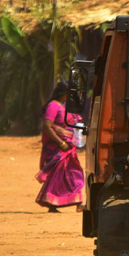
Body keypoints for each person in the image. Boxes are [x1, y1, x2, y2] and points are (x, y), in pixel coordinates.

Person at [36, 82, 85, 211]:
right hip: (57, 148)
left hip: (68, 148)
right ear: (63, 94)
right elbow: (47, 126)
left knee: (71, 174)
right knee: (62, 175)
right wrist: (61, 143)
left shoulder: (63, 106)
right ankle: (61, 203)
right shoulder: (53, 106)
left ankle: (73, 202)